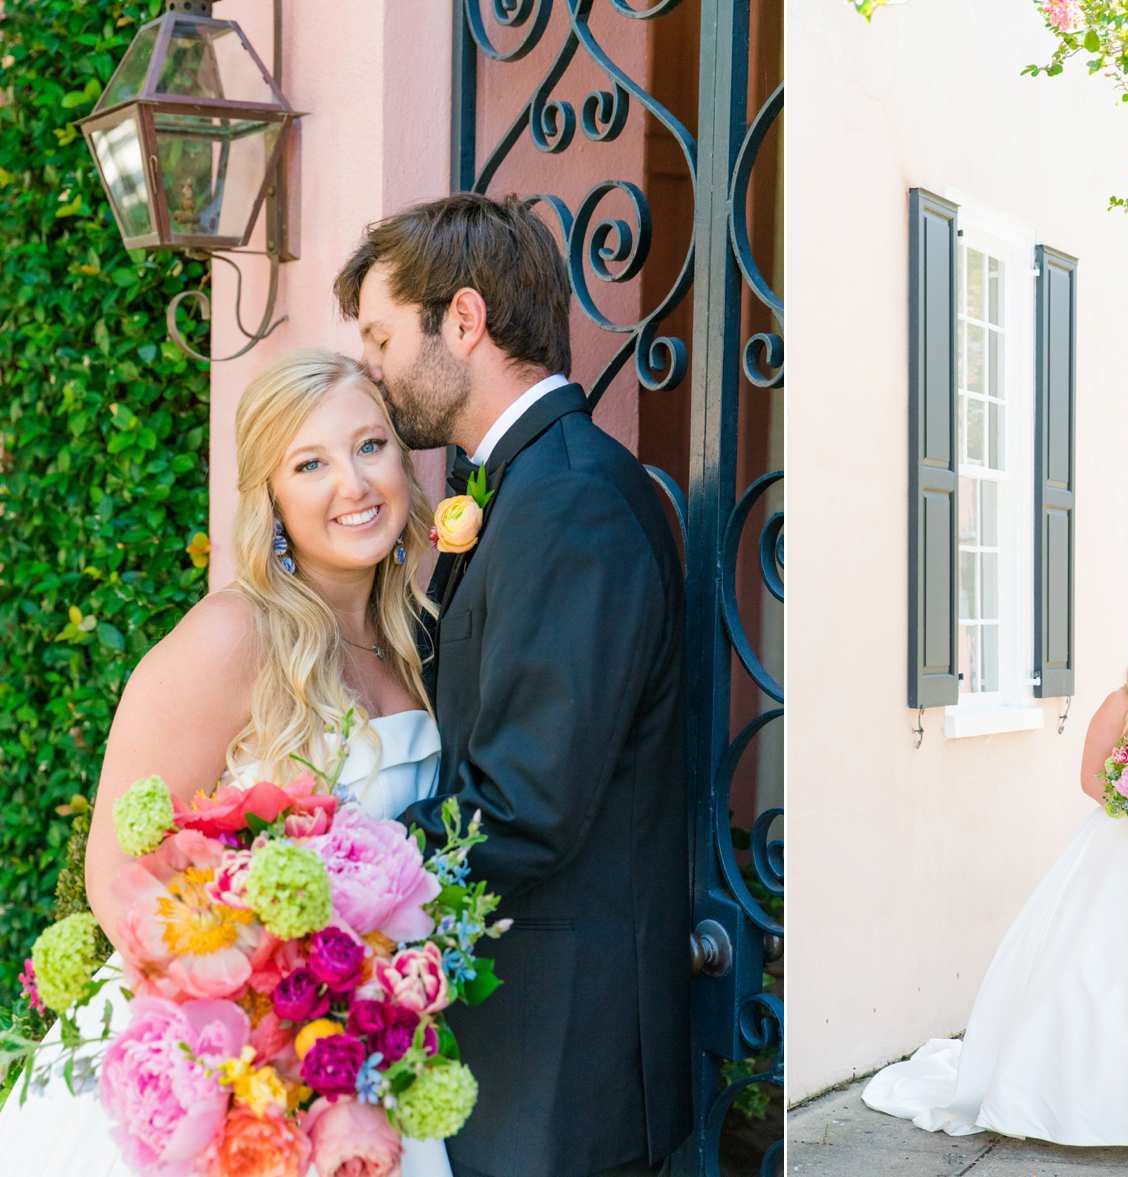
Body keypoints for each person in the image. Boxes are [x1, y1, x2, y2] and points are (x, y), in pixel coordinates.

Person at [0, 350, 454, 1176]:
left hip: (359, 1057)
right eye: (309, 463)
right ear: (272, 498)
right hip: (231, 1064)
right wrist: (251, 1034)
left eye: (371, 445)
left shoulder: (414, 639)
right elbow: (116, 871)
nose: (352, 484)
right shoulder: (232, 635)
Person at [332, 192, 690, 1177]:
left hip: (563, 1058)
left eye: (380, 335)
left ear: (463, 319)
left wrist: (324, 876)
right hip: (518, 1042)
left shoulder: (569, 501)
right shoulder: (523, 485)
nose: (372, 366)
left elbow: (525, 806)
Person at [863, 611, 1128, 1159]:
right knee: (1092, 971)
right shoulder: (1119, 705)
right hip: (1118, 845)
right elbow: (1090, 776)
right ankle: (1071, 1098)